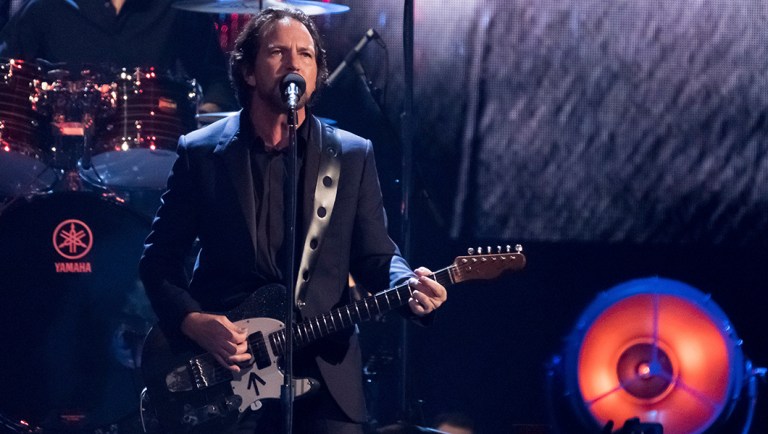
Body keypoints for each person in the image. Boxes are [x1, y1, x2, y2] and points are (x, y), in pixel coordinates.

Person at [138, 7, 447, 434]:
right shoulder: (202, 153)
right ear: (247, 71)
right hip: (226, 371)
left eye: (305, 55)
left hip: (324, 371)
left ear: (317, 72)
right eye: (278, 52)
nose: (294, 64)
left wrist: (406, 283)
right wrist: (195, 322)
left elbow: (377, 256)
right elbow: (158, 261)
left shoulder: (351, 155)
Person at [0, 0, 237, 112]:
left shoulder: (176, 8)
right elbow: (5, 76)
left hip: (150, 167)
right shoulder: (46, 8)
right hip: (60, 170)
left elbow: (218, 82)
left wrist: (198, 117)